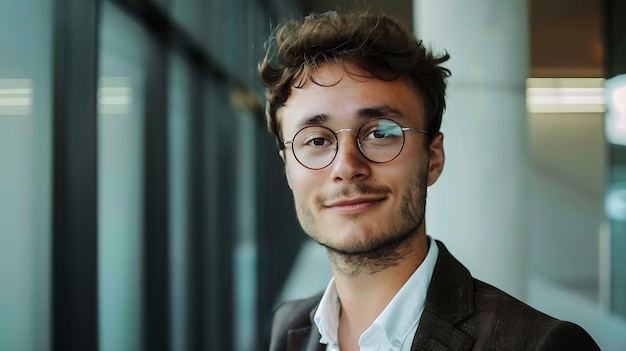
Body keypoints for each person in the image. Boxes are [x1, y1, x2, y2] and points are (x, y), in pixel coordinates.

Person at [258, 10, 600, 351]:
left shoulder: (543, 344)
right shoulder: (289, 327)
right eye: (317, 141)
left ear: (432, 158)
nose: (346, 166)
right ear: (288, 167)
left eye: (380, 133)